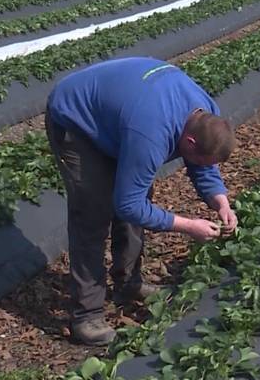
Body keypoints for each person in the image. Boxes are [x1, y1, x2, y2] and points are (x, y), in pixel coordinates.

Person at [45, 56, 238, 346]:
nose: (200, 163)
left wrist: (221, 201)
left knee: (137, 197)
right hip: (78, 121)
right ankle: (87, 315)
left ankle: (128, 283)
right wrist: (188, 226)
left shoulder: (206, 112)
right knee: (94, 213)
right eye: (196, 156)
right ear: (189, 143)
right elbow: (128, 205)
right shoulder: (151, 132)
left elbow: (204, 165)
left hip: (121, 117)